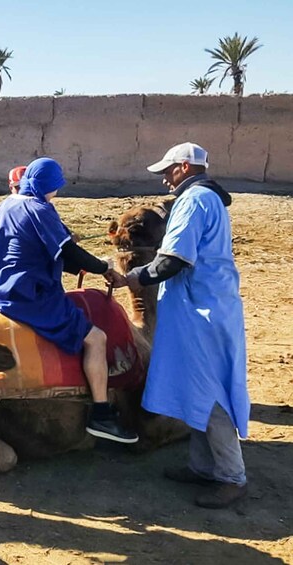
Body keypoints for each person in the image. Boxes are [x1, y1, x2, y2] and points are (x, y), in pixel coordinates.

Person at [123, 142, 249, 508]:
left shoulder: (194, 202)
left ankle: (231, 475)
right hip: (204, 307)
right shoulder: (205, 200)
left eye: (167, 170)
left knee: (211, 394)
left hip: (201, 313)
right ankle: (202, 466)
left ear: (184, 167)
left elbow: (173, 259)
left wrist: (134, 277)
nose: (164, 177)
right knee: (197, 389)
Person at [0, 157, 138, 443]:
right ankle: (101, 414)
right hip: (27, 296)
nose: (56, 193)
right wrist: (105, 269)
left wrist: (81, 261)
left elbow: (37, 250)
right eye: (56, 187)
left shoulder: (6, 205)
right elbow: (69, 254)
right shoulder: (41, 208)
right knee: (96, 338)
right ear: (50, 186)